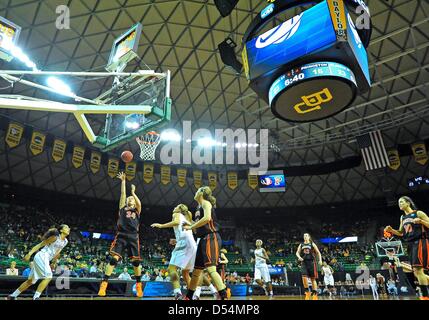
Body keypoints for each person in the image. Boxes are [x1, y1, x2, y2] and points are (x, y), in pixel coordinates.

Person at [98, 172, 143, 298]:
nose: (129, 199)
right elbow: (123, 194)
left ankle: (139, 285)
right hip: (122, 235)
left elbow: (139, 203)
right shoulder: (123, 208)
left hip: (134, 236)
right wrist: (123, 181)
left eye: (131, 199)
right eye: (129, 198)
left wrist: (133, 192)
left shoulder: (137, 210)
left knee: (136, 263)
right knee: (113, 259)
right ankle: (104, 284)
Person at [183, 186, 227, 300]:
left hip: (211, 237)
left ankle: (224, 296)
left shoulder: (206, 203)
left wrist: (191, 226)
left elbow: (207, 218)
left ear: (201, 193)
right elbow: (197, 227)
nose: (195, 191)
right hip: (202, 239)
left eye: (197, 190)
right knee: (196, 272)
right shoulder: (198, 208)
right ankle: (188, 297)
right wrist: (189, 222)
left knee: (211, 269)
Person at [6, 225, 70, 300]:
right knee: (49, 276)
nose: (69, 229)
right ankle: (36, 297)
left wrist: (54, 262)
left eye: (68, 228)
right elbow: (40, 245)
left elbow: (57, 252)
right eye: (66, 227)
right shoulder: (55, 237)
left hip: (46, 259)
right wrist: (29, 254)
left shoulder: (65, 241)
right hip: (42, 256)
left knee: (30, 281)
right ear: (61, 230)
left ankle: (12, 296)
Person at [385, 196, 429, 300]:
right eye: (398, 202)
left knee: (418, 270)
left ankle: (425, 296)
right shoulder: (402, 218)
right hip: (410, 244)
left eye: (401, 202)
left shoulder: (418, 213)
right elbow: (401, 233)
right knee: (417, 271)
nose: (399, 204)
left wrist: (422, 222)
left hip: (420, 241)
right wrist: (392, 230)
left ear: (408, 203)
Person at [151, 204, 197, 299]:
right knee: (185, 273)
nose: (174, 208)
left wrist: (161, 225)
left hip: (184, 243)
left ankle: (177, 293)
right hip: (192, 245)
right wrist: (177, 240)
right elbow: (190, 231)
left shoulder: (177, 214)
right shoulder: (186, 218)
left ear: (180, 209)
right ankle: (191, 295)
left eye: (176, 207)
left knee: (171, 269)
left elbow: (176, 222)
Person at [296, 233, 322, 300]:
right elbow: (297, 252)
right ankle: (307, 292)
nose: (305, 237)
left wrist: (320, 260)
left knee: (312, 279)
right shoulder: (301, 244)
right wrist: (299, 257)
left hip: (311, 262)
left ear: (309, 237)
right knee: (304, 277)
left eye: (306, 235)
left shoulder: (312, 244)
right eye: (304, 236)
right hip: (304, 262)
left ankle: (315, 293)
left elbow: (318, 252)